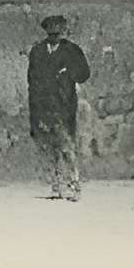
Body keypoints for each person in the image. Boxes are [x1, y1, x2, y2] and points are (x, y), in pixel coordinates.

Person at [26, 13, 89, 200]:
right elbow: (31, 79)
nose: (55, 35)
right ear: (46, 32)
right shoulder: (37, 51)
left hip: (63, 104)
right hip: (42, 104)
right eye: (51, 32)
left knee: (66, 143)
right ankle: (55, 185)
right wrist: (35, 105)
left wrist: (67, 74)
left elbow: (84, 74)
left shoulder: (72, 51)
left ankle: (73, 184)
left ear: (64, 31)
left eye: (58, 31)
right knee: (48, 144)